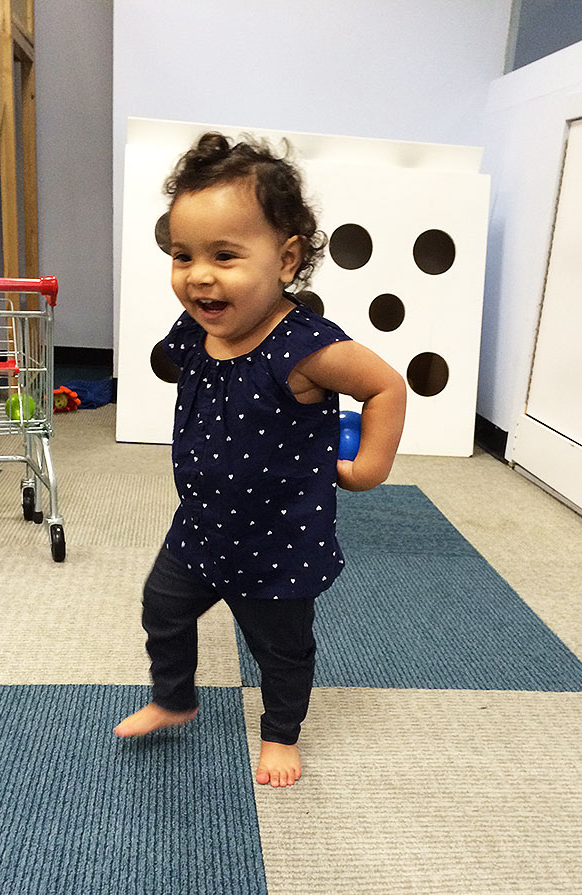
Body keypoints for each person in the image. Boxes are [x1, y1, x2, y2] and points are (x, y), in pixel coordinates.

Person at [114, 132, 406, 788]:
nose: (198, 274)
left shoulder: (303, 348)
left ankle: (280, 734)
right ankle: (173, 698)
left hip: (278, 539)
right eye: (183, 255)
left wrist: (369, 467)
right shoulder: (198, 330)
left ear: (286, 259)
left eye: (224, 255)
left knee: (280, 648)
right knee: (161, 608)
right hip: (201, 526)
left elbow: (386, 385)